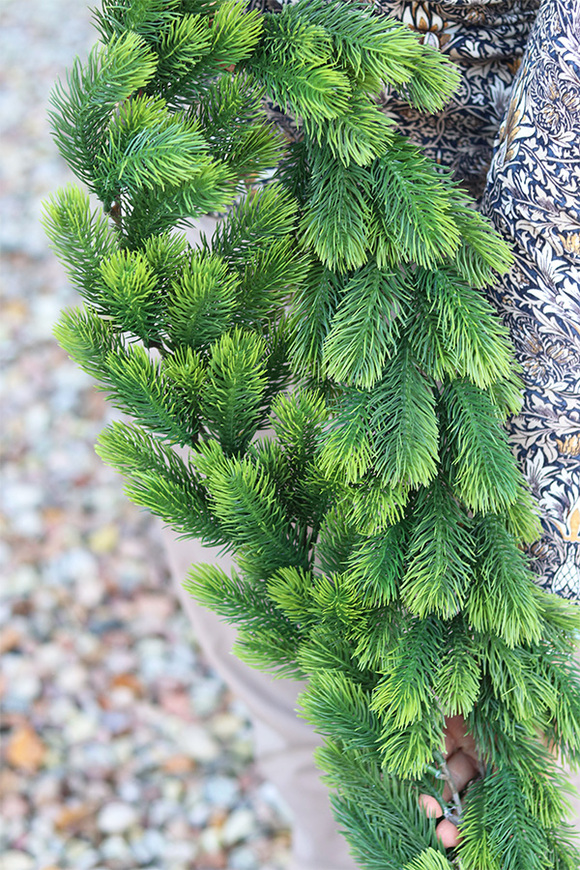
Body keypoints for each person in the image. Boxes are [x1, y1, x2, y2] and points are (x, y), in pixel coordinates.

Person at [162, 0, 580, 866]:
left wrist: (509, 543)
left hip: (499, 312)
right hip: (244, 216)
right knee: (314, 719)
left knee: (517, 774)